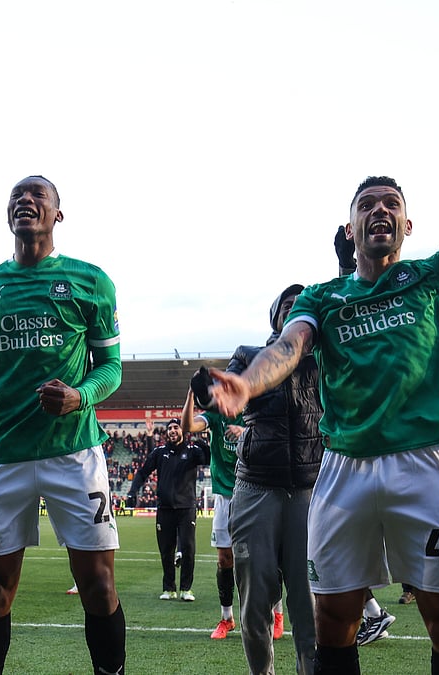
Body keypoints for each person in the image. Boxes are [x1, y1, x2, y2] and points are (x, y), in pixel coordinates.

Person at [208, 11, 439, 673]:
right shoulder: (324, 296)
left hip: (422, 465)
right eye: (367, 203)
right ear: (348, 229)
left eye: (390, 202)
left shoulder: (435, 278)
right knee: (333, 621)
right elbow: (287, 347)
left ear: (407, 221)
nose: (380, 209)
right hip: (342, 470)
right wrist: (247, 381)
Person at [0, 174, 125, 675]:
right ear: (8, 215)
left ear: (58, 213)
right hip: (2, 454)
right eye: (17, 195)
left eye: (38, 194)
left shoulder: (91, 281)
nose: (25, 200)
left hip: (75, 453)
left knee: (98, 585)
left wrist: (80, 396)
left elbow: (112, 368)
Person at [196, 285, 324, 673]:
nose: (295, 309)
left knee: (310, 606)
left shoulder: (324, 359)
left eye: (302, 305)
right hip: (256, 488)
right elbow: (228, 387)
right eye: (288, 304)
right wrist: (211, 391)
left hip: (309, 489)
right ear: (275, 316)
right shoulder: (249, 357)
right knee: (254, 603)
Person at [181, 384, 244, 638]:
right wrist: (190, 395)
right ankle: (226, 618)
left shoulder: (253, 412)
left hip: (253, 491)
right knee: (224, 559)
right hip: (223, 496)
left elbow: (274, 433)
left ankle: (276, 612)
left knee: (262, 560)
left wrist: (246, 432)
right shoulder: (216, 416)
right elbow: (188, 426)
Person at [126, 418, 210, 602]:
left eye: (176, 427)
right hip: (164, 509)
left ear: (182, 430)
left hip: (186, 508)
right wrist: (133, 491)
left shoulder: (192, 451)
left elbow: (207, 459)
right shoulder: (159, 452)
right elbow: (142, 472)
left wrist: (202, 440)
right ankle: (169, 588)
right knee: (166, 550)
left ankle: (186, 589)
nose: (172, 430)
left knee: (188, 548)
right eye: (170, 428)